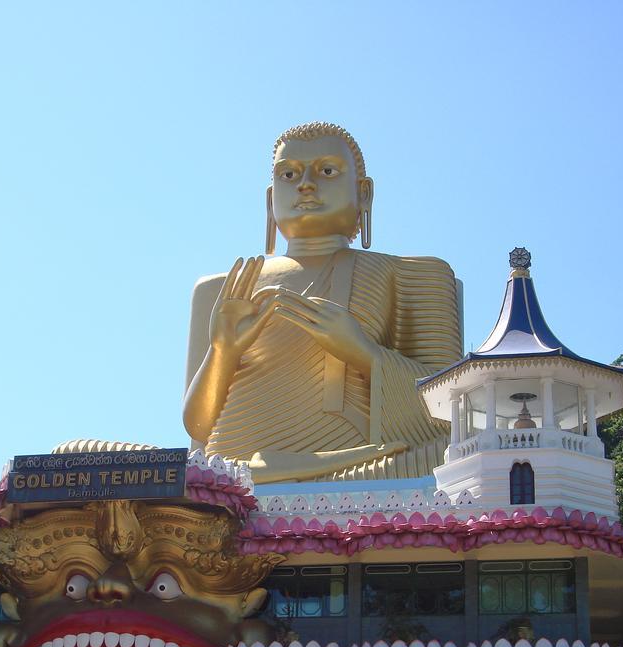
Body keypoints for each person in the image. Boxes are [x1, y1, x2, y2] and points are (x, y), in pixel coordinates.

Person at [183, 121, 464, 483]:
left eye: (327, 171)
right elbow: (198, 430)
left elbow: (451, 414)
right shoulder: (224, 288)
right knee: (95, 461)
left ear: (364, 194)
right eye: (289, 174)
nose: (305, 184)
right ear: (270, 200)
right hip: (238, 476)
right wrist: (222, 352)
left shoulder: (414, 275)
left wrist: (363, 352)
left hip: (361, 473)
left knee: (462, 455)